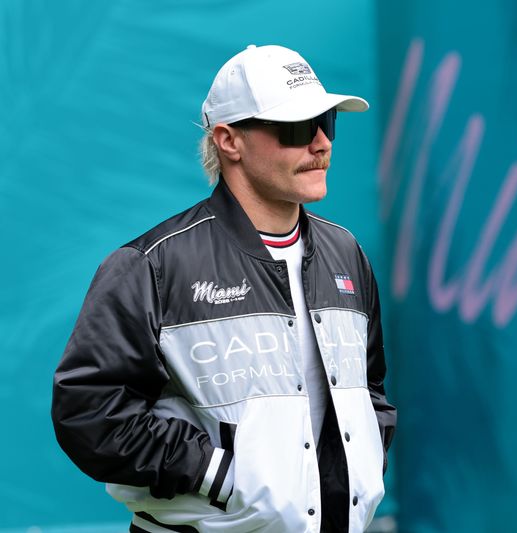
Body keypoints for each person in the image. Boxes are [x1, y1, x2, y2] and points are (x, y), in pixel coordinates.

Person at [51, 44, 396, 533]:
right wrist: (219, 477)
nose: (321, 143)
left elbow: (370, 390)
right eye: (296, 128)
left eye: (327, 123)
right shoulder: (152, 264)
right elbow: (90, 412)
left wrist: (362, 464)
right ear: (229, 140)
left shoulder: (347, 253)